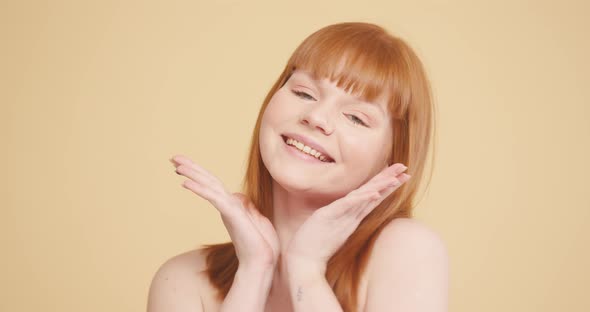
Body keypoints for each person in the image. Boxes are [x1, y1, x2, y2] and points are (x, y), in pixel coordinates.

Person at [147, 22, 449, 312]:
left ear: (392, 156)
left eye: (356, 117)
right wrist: (253, 272)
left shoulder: (407, 252)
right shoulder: (182, 281)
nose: (316, 117)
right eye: (304, 93)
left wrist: (306, 269)